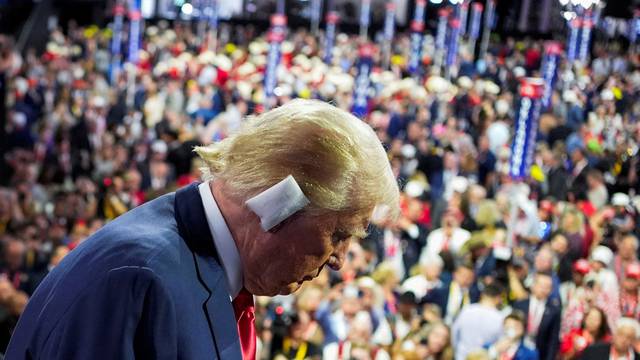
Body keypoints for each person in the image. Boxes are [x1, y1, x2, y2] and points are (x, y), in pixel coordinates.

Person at [5, 99, 400, 359]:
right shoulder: (138, 279)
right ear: (278, 201)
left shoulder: (196, 269)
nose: (339, 259)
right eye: (340, 233)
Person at [513, 272, 562, 360]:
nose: (543, 290)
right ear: (533, 285)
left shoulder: (554, 311)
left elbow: (553, 340)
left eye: (547, 287)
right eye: (541, 286)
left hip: (539, 353)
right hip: (517, 351)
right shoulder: (520, 305)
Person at [451, 283, 505, 360]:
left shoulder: (467, 310)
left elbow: (454, 333)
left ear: (483, 295)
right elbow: (500, 343)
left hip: (461, 356)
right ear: (498, 298)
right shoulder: (500, 317)